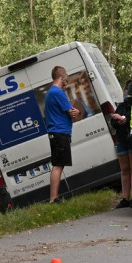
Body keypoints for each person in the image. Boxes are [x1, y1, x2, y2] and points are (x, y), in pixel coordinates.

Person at [44, 66, 81, 203]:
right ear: (61, 77)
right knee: (58, 165)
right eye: (66, 76)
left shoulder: (52, 92)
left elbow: (73, 112)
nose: (67, 79)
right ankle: (53, 198)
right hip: (60, 132)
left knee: (58, 164)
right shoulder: (57, 92)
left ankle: (54, 197)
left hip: (58, 132)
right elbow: (72, 112)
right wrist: (76, 112)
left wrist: (75, 112)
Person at [109, 80, 132, 208]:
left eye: (128, 91)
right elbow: (113, 121)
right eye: (125, 91)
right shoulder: (121, 105)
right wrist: (117, 121)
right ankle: (125, 198)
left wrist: (124, 119)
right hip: (122, 139)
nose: (126, 94)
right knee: (124, 169)